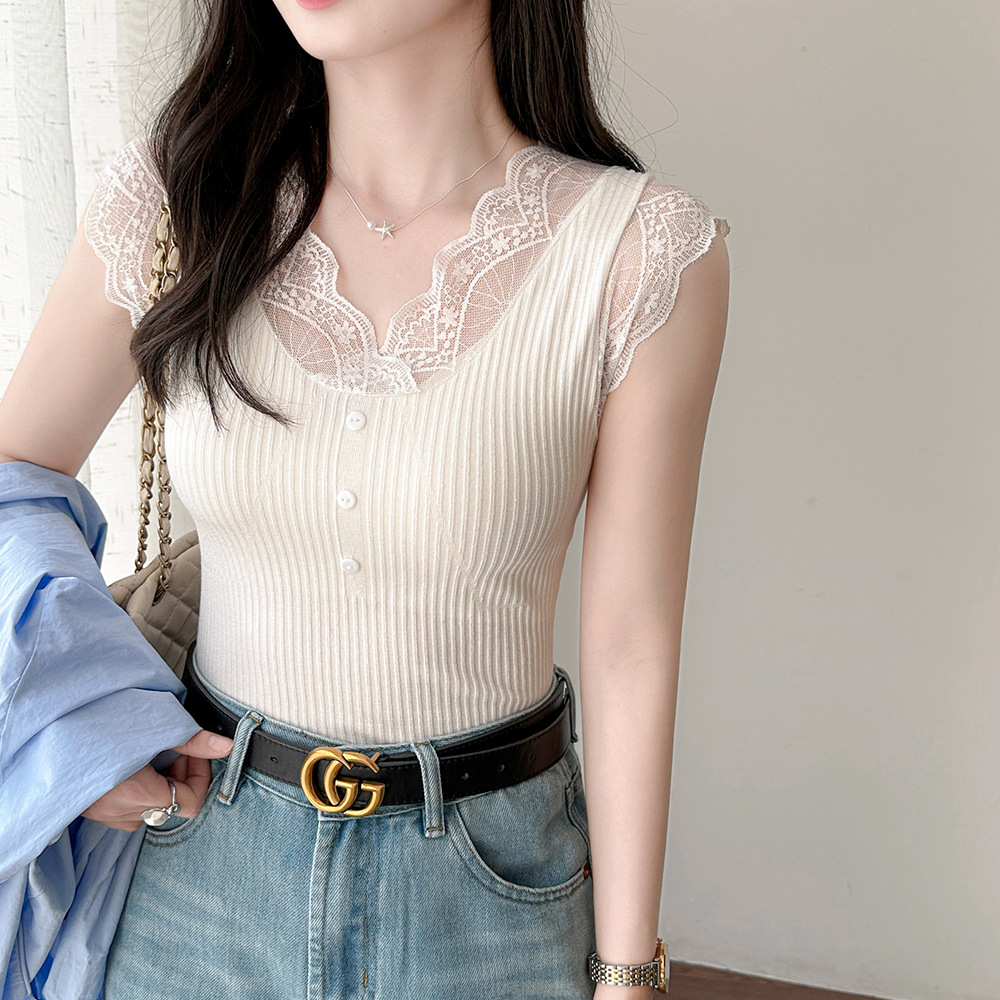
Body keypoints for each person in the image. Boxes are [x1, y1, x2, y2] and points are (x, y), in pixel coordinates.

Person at [0, 0, 730, 997]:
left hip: (488, 893)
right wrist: (77, 736)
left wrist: (628, 970)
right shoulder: (179, 199)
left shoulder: (639, 249)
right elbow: (15, 481)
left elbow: (629, 645)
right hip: (195, 869)